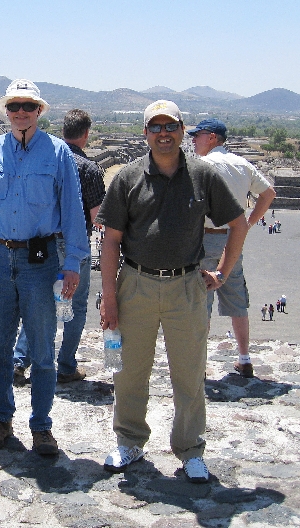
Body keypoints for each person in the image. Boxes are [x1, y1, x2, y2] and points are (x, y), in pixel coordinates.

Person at [97, 100, 247, 483]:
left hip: (186, 286)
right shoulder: (128, 178)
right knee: (128, 370)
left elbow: (237, 222)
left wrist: (223, 273)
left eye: (171, 126)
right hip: (136, 283)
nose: (163, 133)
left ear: (181, 130)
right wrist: (110, 296)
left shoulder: (203, 174)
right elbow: (111, 240)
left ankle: (190, 448)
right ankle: (130, 440)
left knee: (190, 372)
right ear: (145, 133)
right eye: (155, 127)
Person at [0, 79, 88, 455]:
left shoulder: (57, 153)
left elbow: (72, 210)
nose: (21, 112)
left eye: (28, 107)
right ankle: (0, 418)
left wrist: (73, 264)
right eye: (14, 106)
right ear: (7, 111)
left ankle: (41, 426)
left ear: (39, 112)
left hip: (41, 260)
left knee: (41, 352)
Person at [13, 109, 106, 383]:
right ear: (86, 134)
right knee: (75, 304)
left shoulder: (46, 159)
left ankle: (19, 360)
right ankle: (65, 364)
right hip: (74, 245)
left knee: (39, 302)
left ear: (63, 131)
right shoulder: (88, 169)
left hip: (42, 243)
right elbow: (97, 217)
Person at [187, 118, 275, 379]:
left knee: (201, 300)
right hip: (232, 240)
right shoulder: (241, 164)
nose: (193, 140)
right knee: (237, 300)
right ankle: (244, 358)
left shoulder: (201, 165)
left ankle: (198, 363)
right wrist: (246, 225)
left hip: (203, 239)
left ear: (212, 137)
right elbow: (268, 193)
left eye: (198, 135)